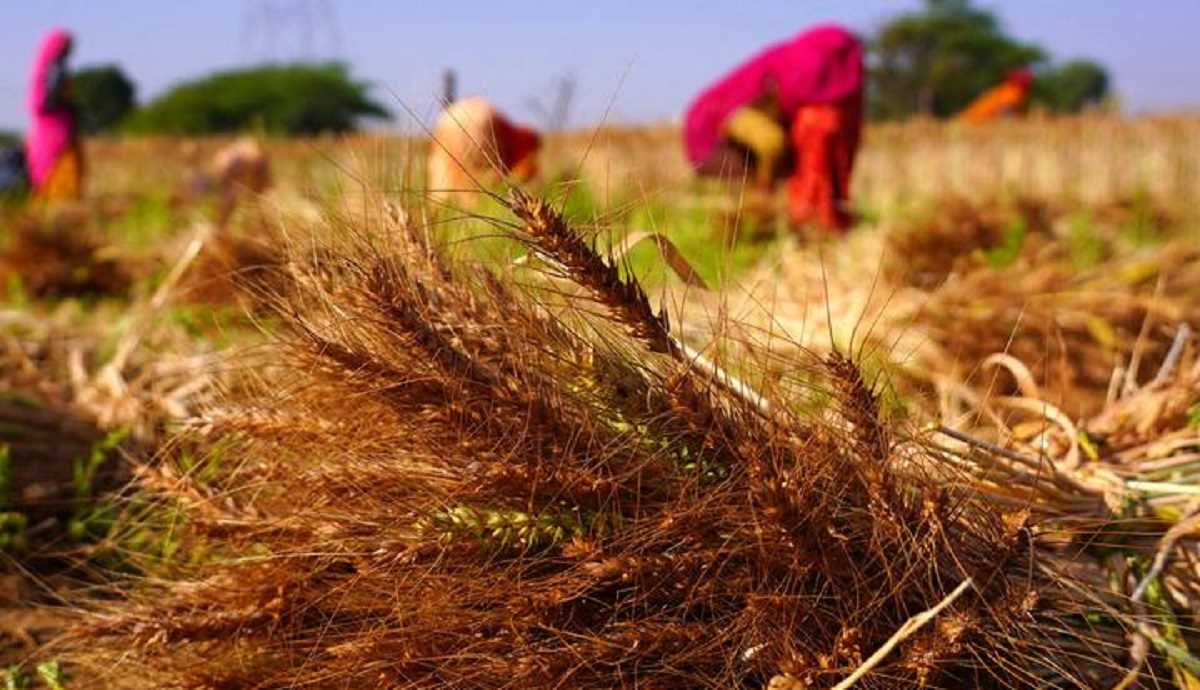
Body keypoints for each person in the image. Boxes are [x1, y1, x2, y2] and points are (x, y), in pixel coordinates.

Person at [684, 25, 864, 233]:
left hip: (735, 139)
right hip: (714, 137)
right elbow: (768, 141)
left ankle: (792, 224)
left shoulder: (800, 76)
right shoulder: (794, 79)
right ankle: (760, 225)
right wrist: (765, 187)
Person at [426, 96, 541, 206]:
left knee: (449, 181)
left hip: (450, 120)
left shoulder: (454, 116)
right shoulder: (521, 141)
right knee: (477, 188)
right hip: (478, 121)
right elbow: (523, 171)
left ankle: (442, 211)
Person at [26, 29, 83, 202]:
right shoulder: (56, 69)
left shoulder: (44, 68)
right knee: (62, 165)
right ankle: (60, 202)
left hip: (48, 128)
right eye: (67, 46)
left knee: (47, 166)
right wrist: (69, 106)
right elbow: (50, 100)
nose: (70, 50)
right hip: (56, 127)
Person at [956, 69, 1034, 123]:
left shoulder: (1005, 89)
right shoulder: (1014, 91)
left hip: (970, 119)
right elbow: (1005, 111)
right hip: (978, 121)